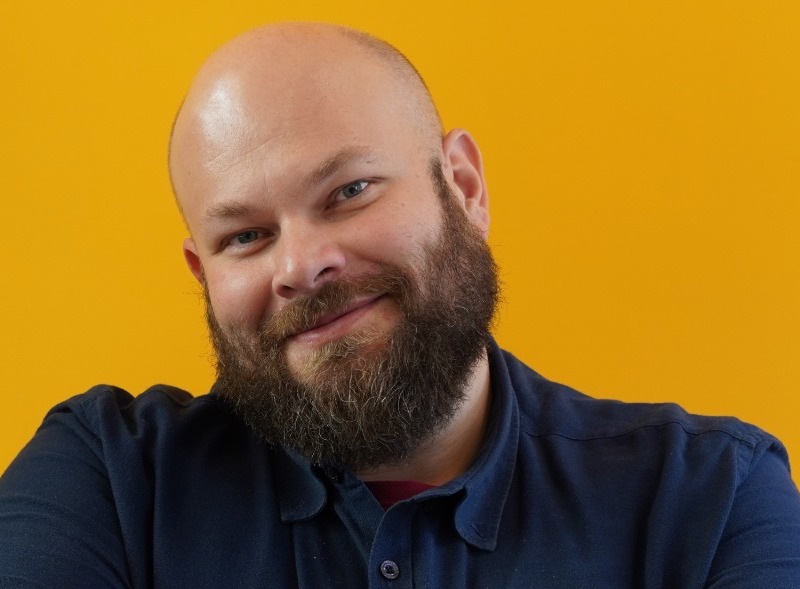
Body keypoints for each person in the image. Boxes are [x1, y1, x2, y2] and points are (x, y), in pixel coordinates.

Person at [1, 22, 799, 588]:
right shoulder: (106, 482)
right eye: (245, 236)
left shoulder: (713, 501)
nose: (301, 265)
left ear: (465, 187)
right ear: (201, 275)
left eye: (349, 190)